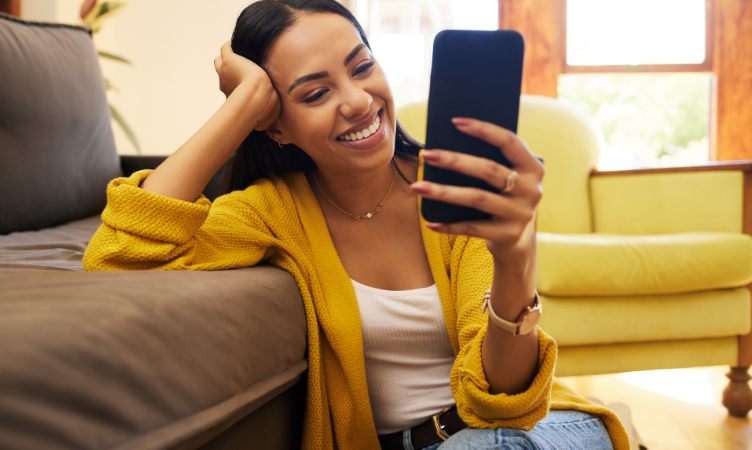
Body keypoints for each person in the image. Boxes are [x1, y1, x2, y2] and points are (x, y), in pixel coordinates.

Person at [83, 1, 630, 449]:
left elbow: (503, 405)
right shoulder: (274, 212)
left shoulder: (453, 192)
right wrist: (243, 102)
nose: (358, 101)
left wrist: (515, 261)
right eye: (315, 93)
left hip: (529, 430)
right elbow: (121, 252)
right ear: (274, 126)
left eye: (362, 66)